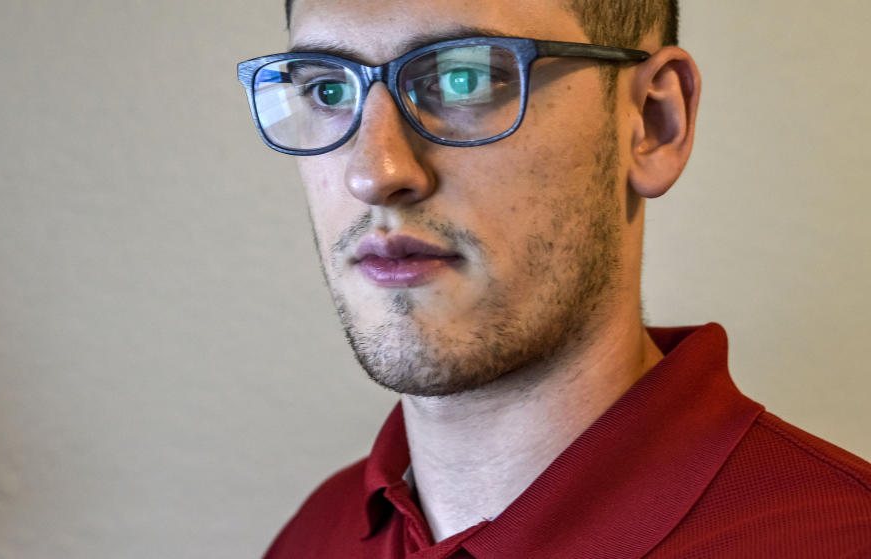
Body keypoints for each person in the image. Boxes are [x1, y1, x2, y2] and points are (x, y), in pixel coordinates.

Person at [237, 0, 871, 556]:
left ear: (653, 124)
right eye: (327, 90)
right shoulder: (315, 536)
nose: (373, 174)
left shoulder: (839, 537)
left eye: (466, 78)